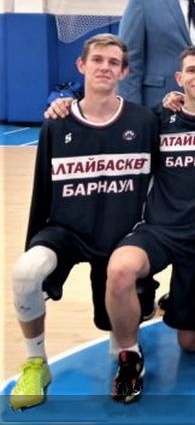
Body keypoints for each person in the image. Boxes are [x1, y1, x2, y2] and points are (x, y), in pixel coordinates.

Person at [9, 34, 158, 410]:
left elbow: (164, 179)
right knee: (25, 273)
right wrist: (34, 241)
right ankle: (36, 362)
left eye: (113, 62)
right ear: (81, 65)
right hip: (67, 230)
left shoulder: (143, 121)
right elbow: (42, 190)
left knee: (115, 332)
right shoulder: (57, 123)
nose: (105, 67)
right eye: (98, 60)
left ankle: (129, 357)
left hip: (121, 234)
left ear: (124, 72)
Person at [104, 44, 195, 404]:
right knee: (119, 270)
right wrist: (63, 107)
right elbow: (109, 122)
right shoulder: (158, 119)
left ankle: (189, 300)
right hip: (158, 229)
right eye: (192, 70)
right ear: (180, 78)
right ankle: (129, 358)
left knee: (191, 344)